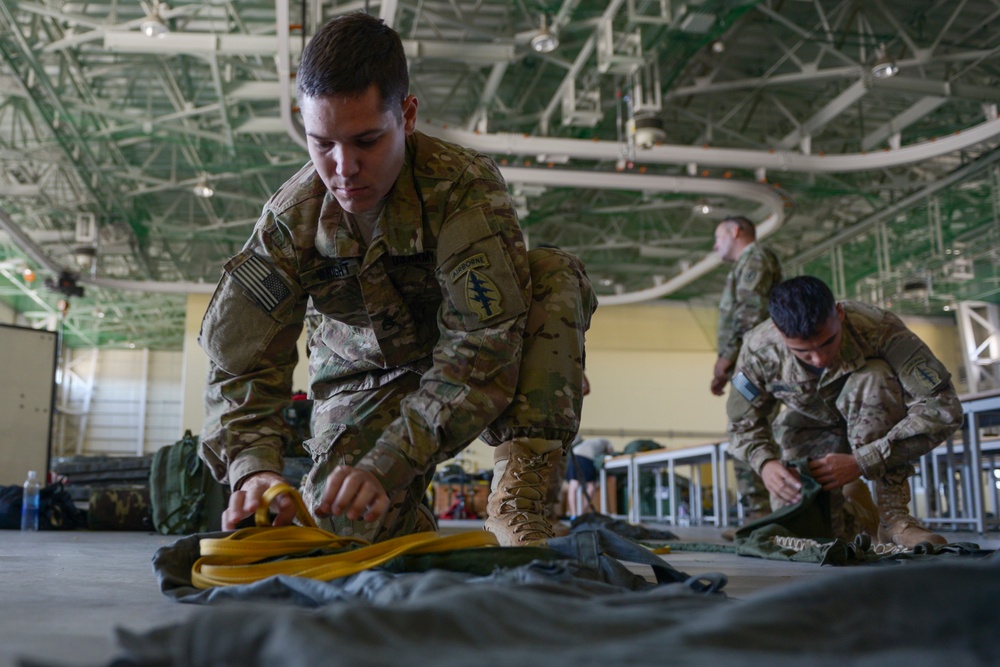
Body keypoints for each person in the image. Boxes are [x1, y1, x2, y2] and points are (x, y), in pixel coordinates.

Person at [197, 12, 596, 547]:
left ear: (406, 116)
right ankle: (409, 528)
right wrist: (254, 470)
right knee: (346, 526)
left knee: (551, 275)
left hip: (473, 359)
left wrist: (391, 461)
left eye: (366, 141)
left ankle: (518, 499)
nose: (343, 168)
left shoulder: (461, 188)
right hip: (364, 377)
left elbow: (484, 345)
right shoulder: (290, 220)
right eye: (322, 144)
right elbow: (239, 361)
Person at [726, 276, 962, 547]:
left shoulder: (877, 327)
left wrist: (862, 461)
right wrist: (765, 464)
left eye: (828, 342)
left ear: (839, 313)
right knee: (810, 535)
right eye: (803, 352)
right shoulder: (759, 350)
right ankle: (858, 510)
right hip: (806, 429)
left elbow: (944, 407)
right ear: (779, 332)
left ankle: (894, 521)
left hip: (876, 418)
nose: (819, 358)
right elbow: (741, 424)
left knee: (873, 377)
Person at [711, 215, 782, 528]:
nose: (715, 245)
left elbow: (750, 311)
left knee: (745, 423)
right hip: (748, 359)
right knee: (746, 423)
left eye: (718, 237)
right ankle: (759, 514)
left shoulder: (755, 257)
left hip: (754, 359)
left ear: (734, 231)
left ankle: (760, 514)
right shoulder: (744, 264)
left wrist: (727, 357)